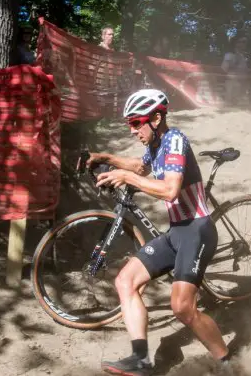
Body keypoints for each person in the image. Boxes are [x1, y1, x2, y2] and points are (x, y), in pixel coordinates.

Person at [87, 89, 230, 375]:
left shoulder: (174, 140)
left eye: (136, 123)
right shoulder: (156, 145)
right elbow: (140, 166)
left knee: (182, 309)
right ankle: (140, 359)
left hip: (197, 230)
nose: (132, 130)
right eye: (130, 124)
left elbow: (169, 190)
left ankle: (228, 362)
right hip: (177, 232)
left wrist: (127, 177)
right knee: (125, 281)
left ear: (155, 118)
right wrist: (104, 157)